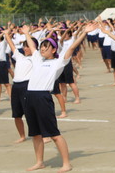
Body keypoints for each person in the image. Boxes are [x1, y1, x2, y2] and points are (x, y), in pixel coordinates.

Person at [24, 21, 96, 172]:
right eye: (42, 46)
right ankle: (39, 162)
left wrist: (84, 32)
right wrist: (26, 33)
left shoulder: (58, 62)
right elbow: (31, 45)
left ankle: (66, 164)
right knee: (35, 134)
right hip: (30, 97)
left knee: (54, 134)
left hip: (43, 98)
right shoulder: (37, 58)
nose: (42, 49)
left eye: (46, 47)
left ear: (54, 49)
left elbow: (71, 47)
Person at [4, 25, 37, 143]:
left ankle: (38, 134)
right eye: (24, 46)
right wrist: (7, 34)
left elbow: (32, 47)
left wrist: (27, 34)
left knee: (30, 113)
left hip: (26, 86)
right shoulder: (20, 56)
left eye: (27, 46)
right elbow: (11, 45)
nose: (25, 48)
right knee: (16, 114)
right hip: (16, 86)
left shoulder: (36, 58)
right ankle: (22, 136)